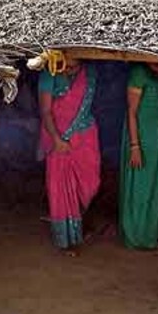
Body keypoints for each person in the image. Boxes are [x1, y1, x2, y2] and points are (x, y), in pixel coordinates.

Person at [38, 58, 101, 255]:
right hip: (58, 139)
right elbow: (46, 111)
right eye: (68, 65)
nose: (72, 69)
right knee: (62, 190)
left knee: (90, 183)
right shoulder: (49, 74)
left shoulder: (89, 72)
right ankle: (68, 240)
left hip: (85, 137)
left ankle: (82, 223)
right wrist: (57, 140)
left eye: (76, 65)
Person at [119, 63, 158, 249]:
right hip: (142, 139)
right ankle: (137, 236)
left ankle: (154, 232)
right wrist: (135, 146)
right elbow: (131, 112)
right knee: (141, 187)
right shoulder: (139, 72)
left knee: (157, 185)